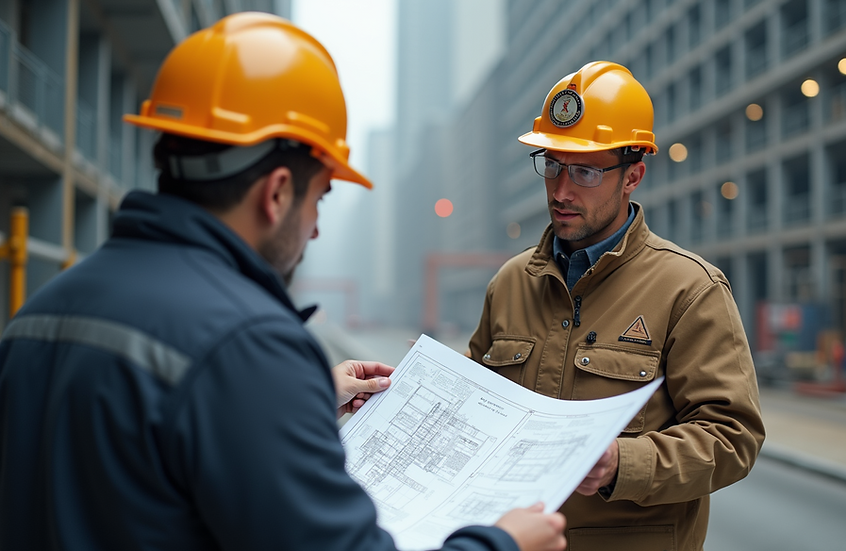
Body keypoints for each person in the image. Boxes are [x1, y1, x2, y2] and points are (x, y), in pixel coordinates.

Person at [0, 13, 565, 551]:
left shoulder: (41, 312)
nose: (316, 228)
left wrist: (304, 396)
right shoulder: (245, 345)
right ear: (275, 194)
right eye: (319, 197)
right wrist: (501, 541)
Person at [467, 61, 765, 551]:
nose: (561, 191)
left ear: (633, 176)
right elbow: (476, 408)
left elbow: (734, 438)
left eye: (584, 171)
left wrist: (622, 464)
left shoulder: (690, 290)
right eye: (554, 164)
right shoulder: (510, 283)